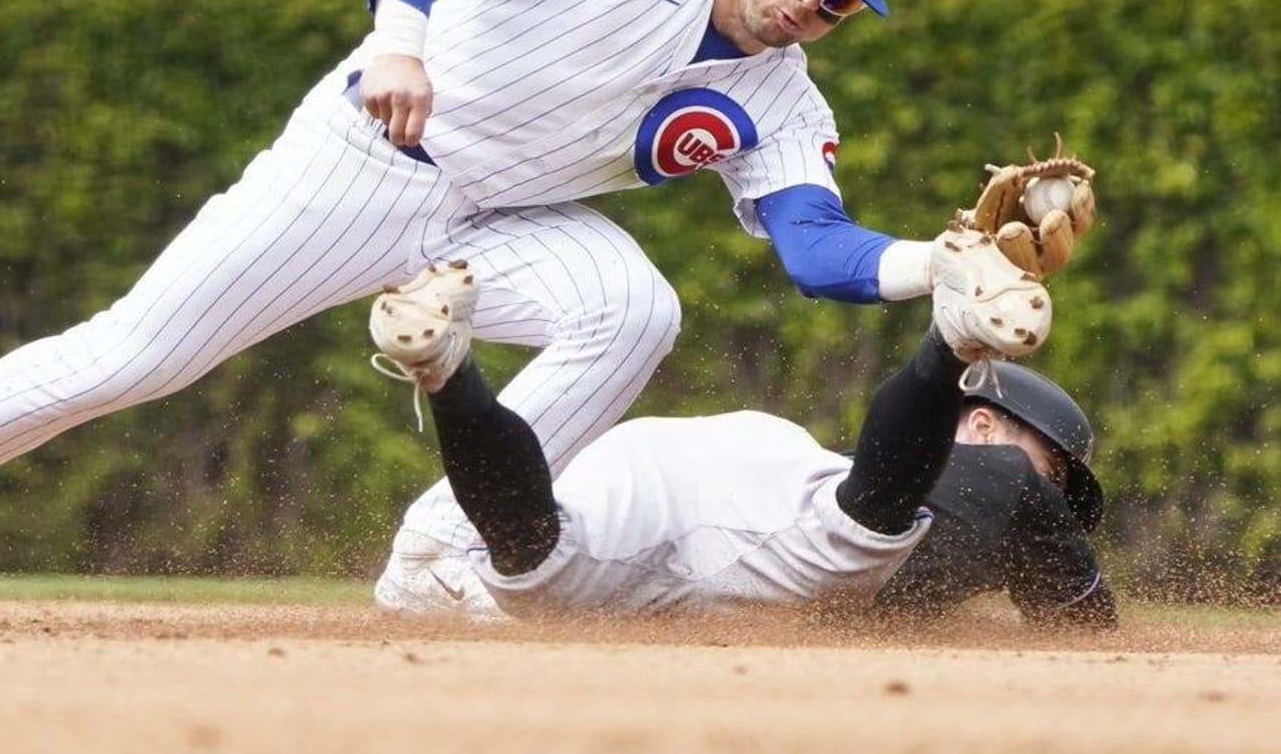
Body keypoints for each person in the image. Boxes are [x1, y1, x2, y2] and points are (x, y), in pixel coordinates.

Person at [0, 0, 934, 622]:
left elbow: (812, 248)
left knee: (634, 311)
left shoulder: (783, 101)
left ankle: (435, 549)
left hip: (504, 221)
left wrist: (943, 267)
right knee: (132, 359)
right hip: (366, 160)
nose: (808, 2)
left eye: (839, 0)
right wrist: (400, 34)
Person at [367, 227, 1114, 627]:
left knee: (538, 565)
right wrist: (1092, 624)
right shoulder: (992, 478)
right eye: (1057, 468)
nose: (1053, 495)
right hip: (744, 514)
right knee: (858, 535)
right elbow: (1016, 487)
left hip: (655, 493)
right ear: (981, 423)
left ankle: (445, 372)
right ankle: (948, 341)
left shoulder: (924, 540)